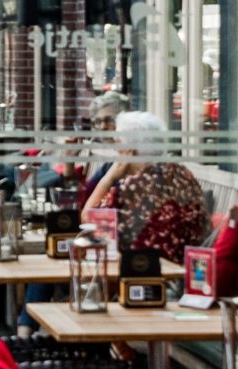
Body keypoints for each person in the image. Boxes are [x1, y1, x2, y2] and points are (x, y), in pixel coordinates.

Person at [80, 110, 211, 263]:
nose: (115, 150)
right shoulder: (183, 174)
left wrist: (110, 177)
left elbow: (89, 221)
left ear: (129, 151)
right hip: (187, 265)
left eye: (118, 143)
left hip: (144, 268)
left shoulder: (133, 187)